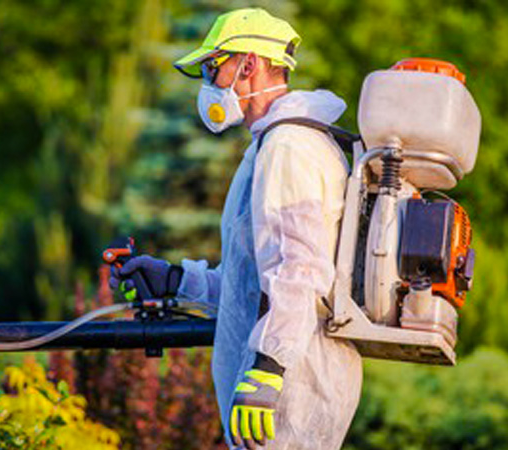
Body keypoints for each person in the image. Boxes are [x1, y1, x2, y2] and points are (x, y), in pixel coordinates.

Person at [110, 8, 363, 450]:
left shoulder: (289, 146)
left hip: (292, 393)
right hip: (278, 395)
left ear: (248, 64)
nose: (208, 82)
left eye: (213, 67)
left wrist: (268, 367)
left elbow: (301, 271)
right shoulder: (271, 144)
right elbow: (251, 284)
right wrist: (175, 280)